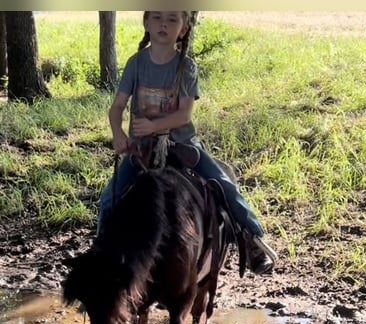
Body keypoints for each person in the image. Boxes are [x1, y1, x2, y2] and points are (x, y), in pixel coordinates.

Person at [96, 11, 277, 275]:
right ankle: (101, 262)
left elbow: (183, 114)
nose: (163, 24)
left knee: (223, 184)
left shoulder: (186, 66)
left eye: (171, 19)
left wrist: (153, 126)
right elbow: (117, 108)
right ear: (146, 23)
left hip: (183, 146)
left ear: (183, 28)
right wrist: (118, 134)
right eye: (157, 18)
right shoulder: (136, 63)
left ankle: (252, 239)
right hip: (141, 151)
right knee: (108, 200)